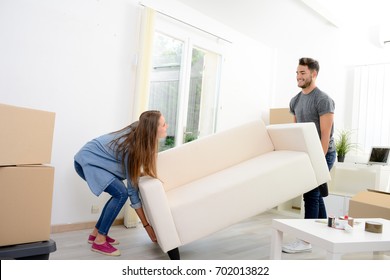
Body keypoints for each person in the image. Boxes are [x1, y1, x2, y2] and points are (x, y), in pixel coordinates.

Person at [74, 110, 168, 256]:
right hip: (88, 161)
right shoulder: (133, 148)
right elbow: (132, 191)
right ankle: (99, 241)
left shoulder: (141, 133)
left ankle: (96, 233)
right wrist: (146, 226)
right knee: (121, 193)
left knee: (117, 192)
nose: (166, 126)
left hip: (90, 159)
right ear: (152, 130)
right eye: (163, 124)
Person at [282, 57, 336, 254]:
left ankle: (305, 240)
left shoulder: (323, 99)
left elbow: (325, 135)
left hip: (324, 153)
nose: (298, 76)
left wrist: (318, 161)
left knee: (311, 195)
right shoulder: (295, 100)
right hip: (307, 154)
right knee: (317, 195)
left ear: (314, 74)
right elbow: (298, 132)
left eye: (302, 73)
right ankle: (325, 233)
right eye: (297, 72)